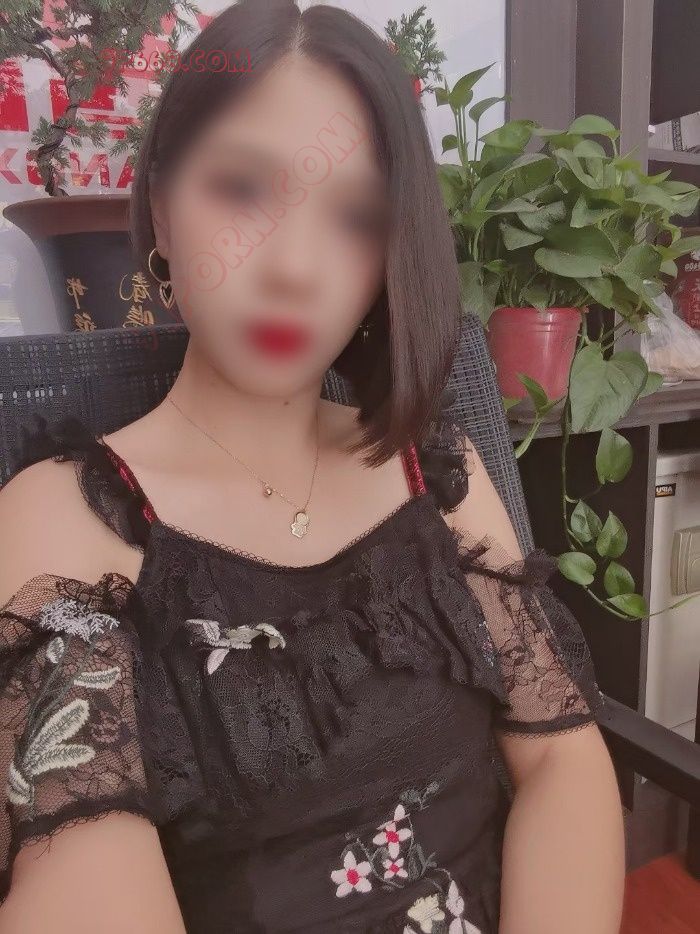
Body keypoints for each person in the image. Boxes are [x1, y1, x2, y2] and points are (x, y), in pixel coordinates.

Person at [0, 1, 625, 931]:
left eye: (356, 217)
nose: (295, 268)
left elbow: (562, 760)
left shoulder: (437, 473)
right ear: (161, 204)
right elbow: (81, 869)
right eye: (243, 188)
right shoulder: (69, 522)